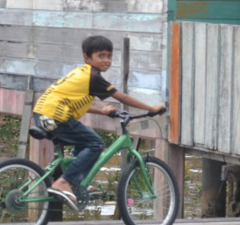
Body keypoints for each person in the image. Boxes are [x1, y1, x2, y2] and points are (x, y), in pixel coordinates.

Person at [33, 35, 166, 211]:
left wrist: (101, 111)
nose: (106, 60)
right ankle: (63, 182)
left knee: (85, 143)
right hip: (56, 116)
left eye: (109, 56)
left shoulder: (82, 73)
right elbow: (122, 97)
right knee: (96, 143)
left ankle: (75, 183)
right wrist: (152, 108)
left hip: (43, 113)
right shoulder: (94, 77)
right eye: (101, 56)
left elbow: (73, 104)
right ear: (87, 58)